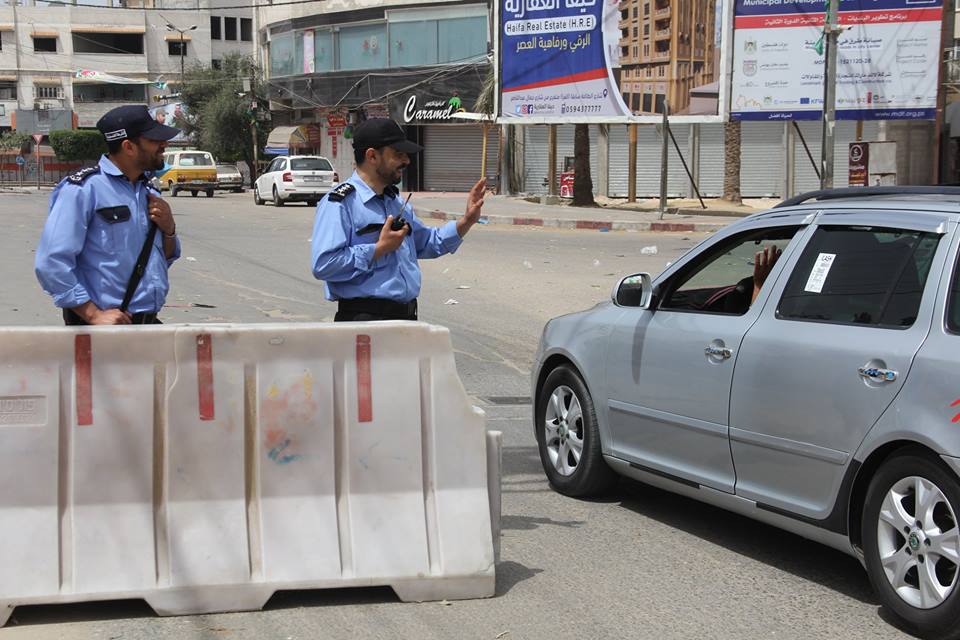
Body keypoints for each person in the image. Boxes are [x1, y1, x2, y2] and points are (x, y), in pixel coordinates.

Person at [311, 118, 486, 321]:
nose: (407, 161)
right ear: (372, 156)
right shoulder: (340, 203)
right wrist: (379, 249)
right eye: (398, 154)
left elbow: (428, 242)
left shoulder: (393, 201)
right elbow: (324, 264)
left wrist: (467, 221)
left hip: (406, 317)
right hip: (364, 321)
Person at [35, 104, 181, 325]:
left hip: (147, 325)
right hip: (101, 330)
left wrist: (169, 229)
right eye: (154, 140)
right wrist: (92, 314)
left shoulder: (147, 191)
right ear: (128, 147)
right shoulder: (83, 189)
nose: (164, 145)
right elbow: (51, 262)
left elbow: (162, 257)